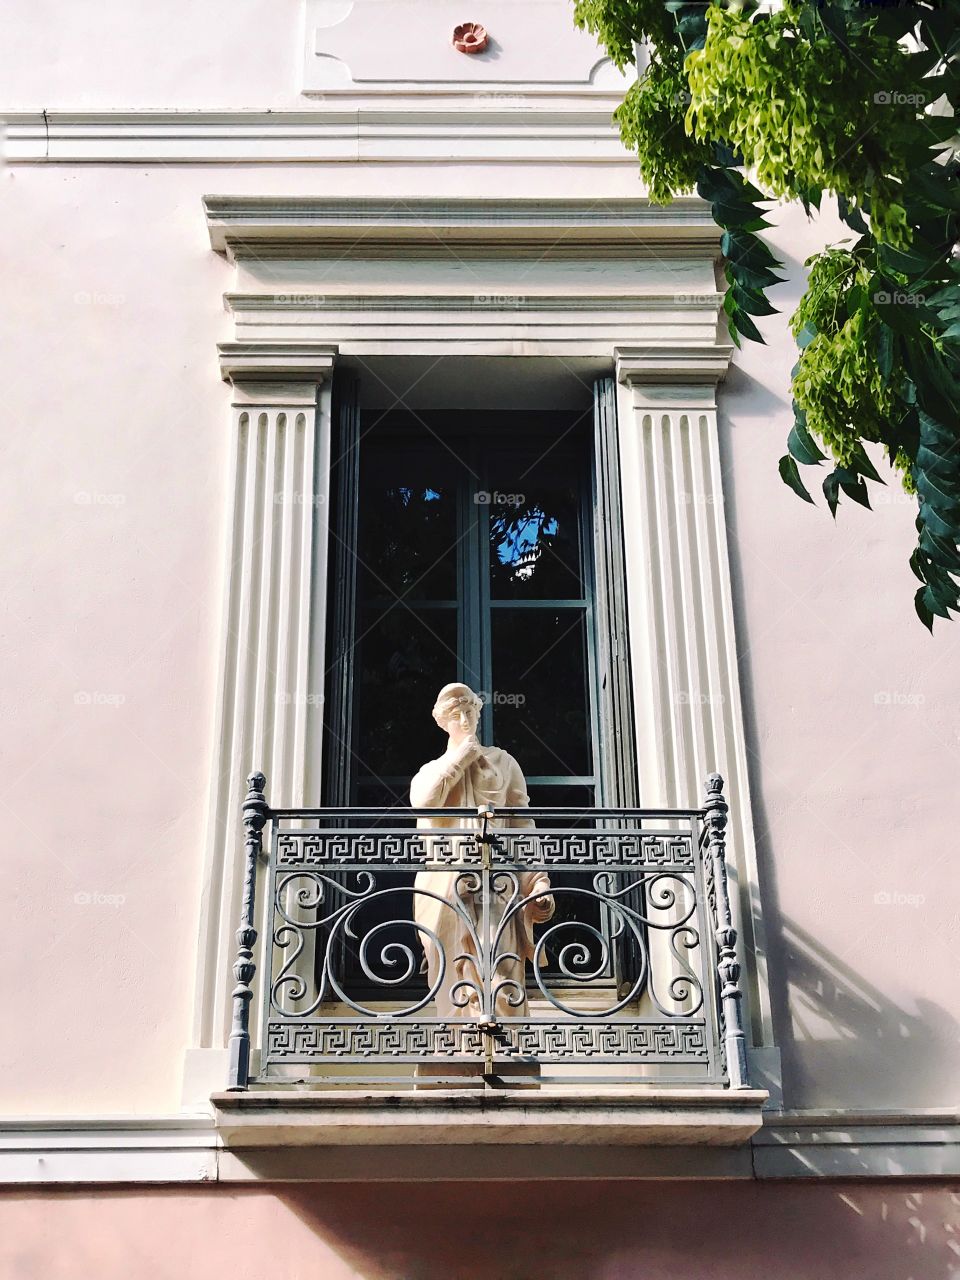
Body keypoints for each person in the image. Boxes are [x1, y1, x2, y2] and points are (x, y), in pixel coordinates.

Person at [410, 683, 554, 1020]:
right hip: (445, 884)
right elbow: (424, 802)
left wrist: (539, 880)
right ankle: (455, 1047)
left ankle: (503, 1046)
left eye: (470, 710)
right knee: (449, 975)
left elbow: (523, 825)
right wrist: (462, 758)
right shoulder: (431, 771)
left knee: (501, 971)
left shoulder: (504, 763)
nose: (465, 718)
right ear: (441, 721)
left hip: (497, 883)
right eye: (455, 714)